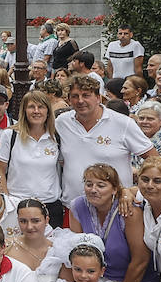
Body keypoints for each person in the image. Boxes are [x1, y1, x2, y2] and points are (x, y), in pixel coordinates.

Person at [55, 75, 155, 210]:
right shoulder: (61, 122)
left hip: (116, 207)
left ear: (98, 98)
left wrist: (135, 189)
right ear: (69, 99)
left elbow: (154, 160)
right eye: (75, 96)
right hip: (74, 207)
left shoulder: (123, 123)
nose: (80, 101)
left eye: (86, 95)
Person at [68, 163, 154, 282]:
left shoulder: (128, 210)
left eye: (101, 185)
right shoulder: (78, 206)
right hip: (99, 277)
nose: (93, 190)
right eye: (89, 184)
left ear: (114, 189)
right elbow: (78, 254)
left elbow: (140, 260)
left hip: (135, 279)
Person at [0, 90, 63, 227]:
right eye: (31, 107)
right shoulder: (10, 135)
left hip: (50, 206)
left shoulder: (56, 137)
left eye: (41, 107)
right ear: (24, 110)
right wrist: (7, 199)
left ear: (48, 111)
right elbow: (0, 170)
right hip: (18, 205)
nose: (36, 111)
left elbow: (64, 166)